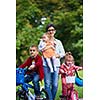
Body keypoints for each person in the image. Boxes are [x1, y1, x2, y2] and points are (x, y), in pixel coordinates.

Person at [38, 24, 65, 100]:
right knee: (47, 83)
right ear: (47, 32)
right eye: (49, 30)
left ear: (55, 31)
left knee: (55, 84)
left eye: (52, 30)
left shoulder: (58, 42)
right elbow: (39, 50)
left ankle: (51, 98)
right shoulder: (43, 40)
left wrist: (57, 55)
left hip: (56, 65)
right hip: (46, 65)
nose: (51, 31)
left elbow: (63, 53)